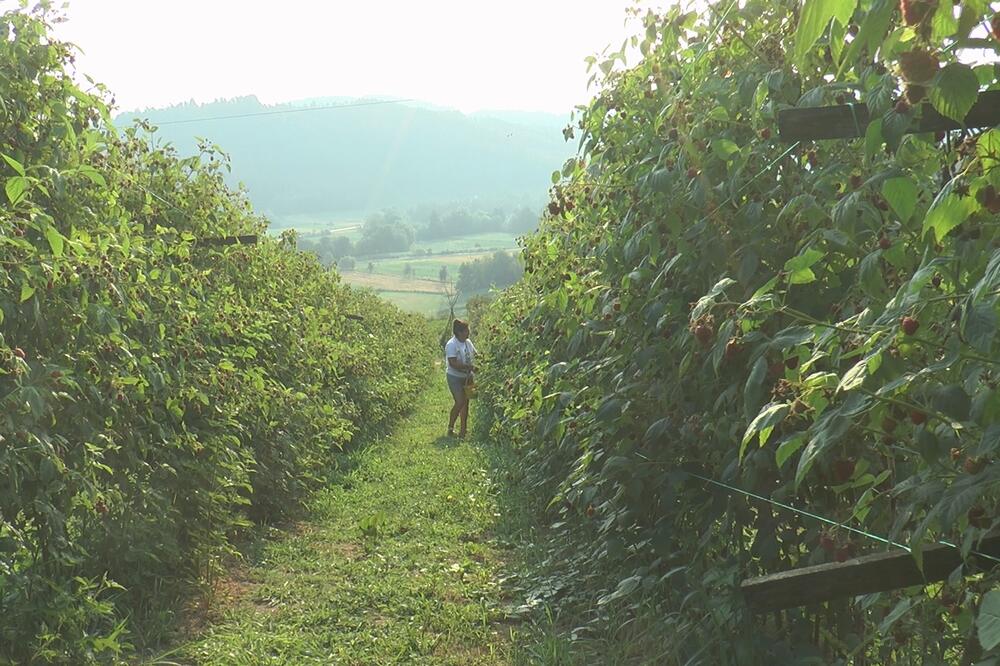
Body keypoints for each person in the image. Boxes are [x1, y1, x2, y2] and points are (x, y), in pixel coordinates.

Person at [445, 319, 476, 438]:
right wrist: (469, 367)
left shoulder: (468, 342)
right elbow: (453, 363)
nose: (468, 332)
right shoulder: (451, 344)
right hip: (455, 377)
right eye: (466, 330)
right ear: (459, 332)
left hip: (467, 377)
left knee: (466, 403)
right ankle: (451, 427)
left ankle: (463, 430)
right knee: (460, 401)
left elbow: (476, 355)